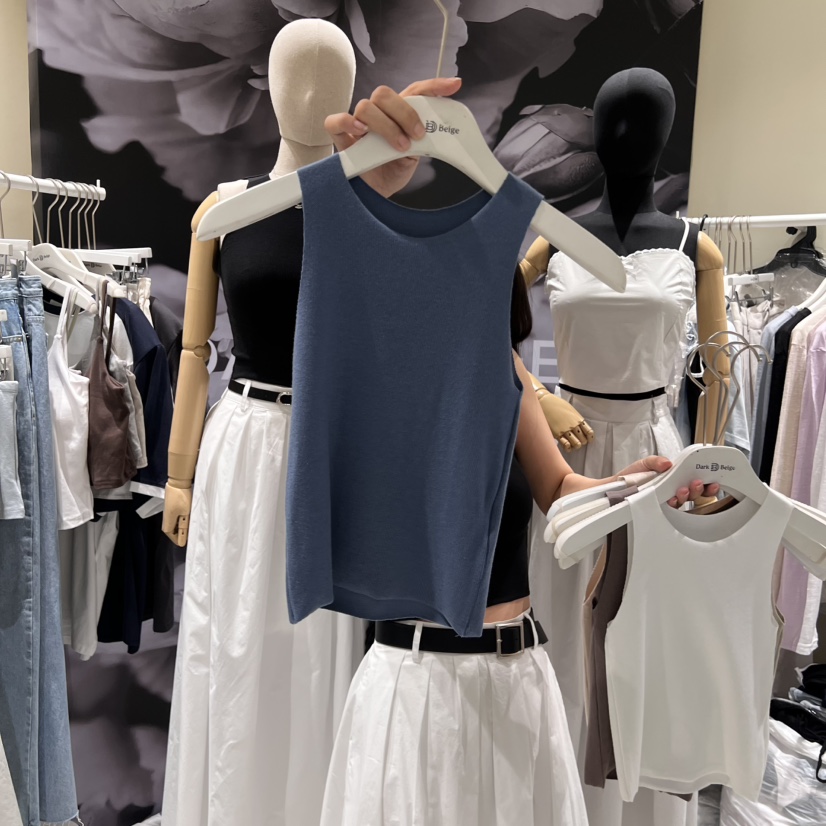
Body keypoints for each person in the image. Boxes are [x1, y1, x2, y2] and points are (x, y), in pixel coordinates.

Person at [317, 78, 718, 826]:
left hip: (518, 682)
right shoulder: (373, 379)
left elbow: (560, 488)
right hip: (416, 684)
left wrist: (629, 485)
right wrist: (368, 188)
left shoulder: (503, 376)